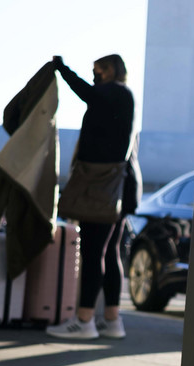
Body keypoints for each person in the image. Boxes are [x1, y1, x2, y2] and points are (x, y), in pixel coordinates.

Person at [45, 54, 136, 340]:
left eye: (98, 71)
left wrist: (61, 68)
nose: (95, 77)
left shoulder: (113, 93)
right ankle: (112, 320)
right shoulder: (124, 98)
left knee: (94, 251)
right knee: (110, 252)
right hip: (121, 186)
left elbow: (87, 93)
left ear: (110, 71)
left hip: (101, 186)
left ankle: (84, 321)